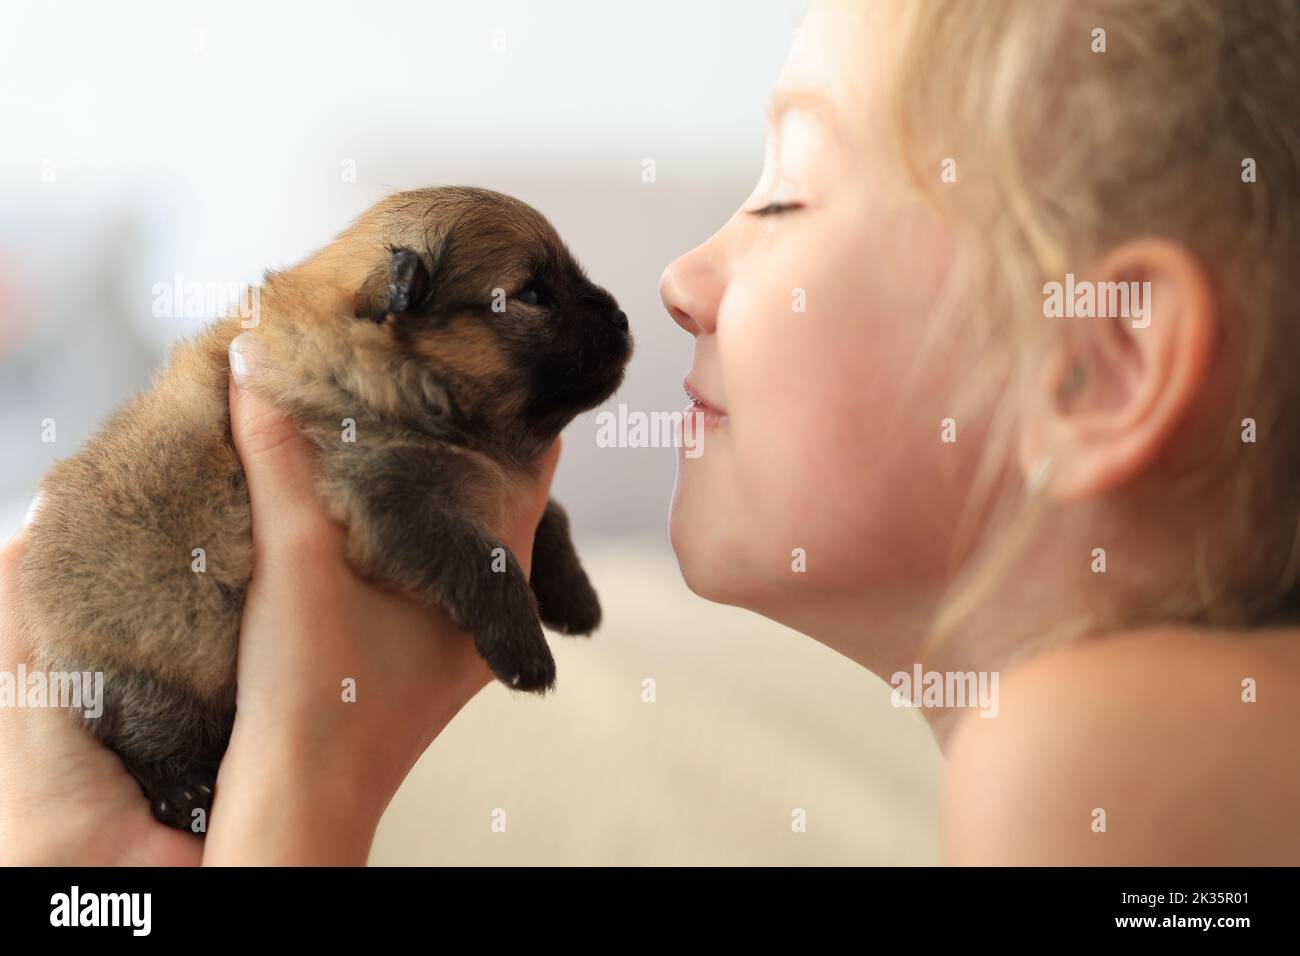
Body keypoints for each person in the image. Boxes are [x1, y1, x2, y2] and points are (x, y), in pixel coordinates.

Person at [4, 0, 1300, 865]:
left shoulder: (1087, 742)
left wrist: (303, 804)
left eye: (787, 196)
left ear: (1098, 359)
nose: (679, 278)